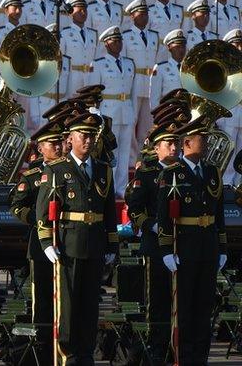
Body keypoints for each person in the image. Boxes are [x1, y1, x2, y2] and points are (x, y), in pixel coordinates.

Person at [36, 113, 119, 366]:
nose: (88, 140)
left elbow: (109, 212)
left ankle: (85, 352)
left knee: (90, 303)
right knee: (69, 305)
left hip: (94, 243)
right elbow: (44, 210)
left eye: (92, 136)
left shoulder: (103, 169)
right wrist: (46, 243)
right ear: (70, 139)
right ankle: (68, 353)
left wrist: (112, 243)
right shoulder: (57, 169)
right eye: (83, 135)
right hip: (68, 244)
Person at [156, 117, 228, 366]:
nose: (207, 143)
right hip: (183, 248)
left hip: (207, 248)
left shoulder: (212, 172)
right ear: (187, 142)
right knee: (185, 310)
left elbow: (218, 215)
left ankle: (200, 358)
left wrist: (222, 247)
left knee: (203, 309)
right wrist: (166, 249)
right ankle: (184, 358)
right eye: (202, 138)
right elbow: (163, 216)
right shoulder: (171, 173)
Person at [125, 120, 181, 365]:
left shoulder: (182, 171)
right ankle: (156, 345)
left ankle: (175, 345)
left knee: (179, 299)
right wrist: (153, 225)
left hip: (181, 244)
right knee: (157, 300)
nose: (173, 148)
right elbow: (135, 209)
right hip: (156, 245)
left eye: (176, 143)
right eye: (168, 143)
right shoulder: (146, 174)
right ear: (156, 148)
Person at [8, 120, 64, 364]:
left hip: (68, 240)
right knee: (42, 299)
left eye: (61, 141)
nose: (60, 146)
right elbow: (17, 206)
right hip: (41, 246)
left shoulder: (70, 170)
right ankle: (42, 348)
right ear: (41, 148)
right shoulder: (32, 177)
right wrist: (38, 219)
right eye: (53, 143)